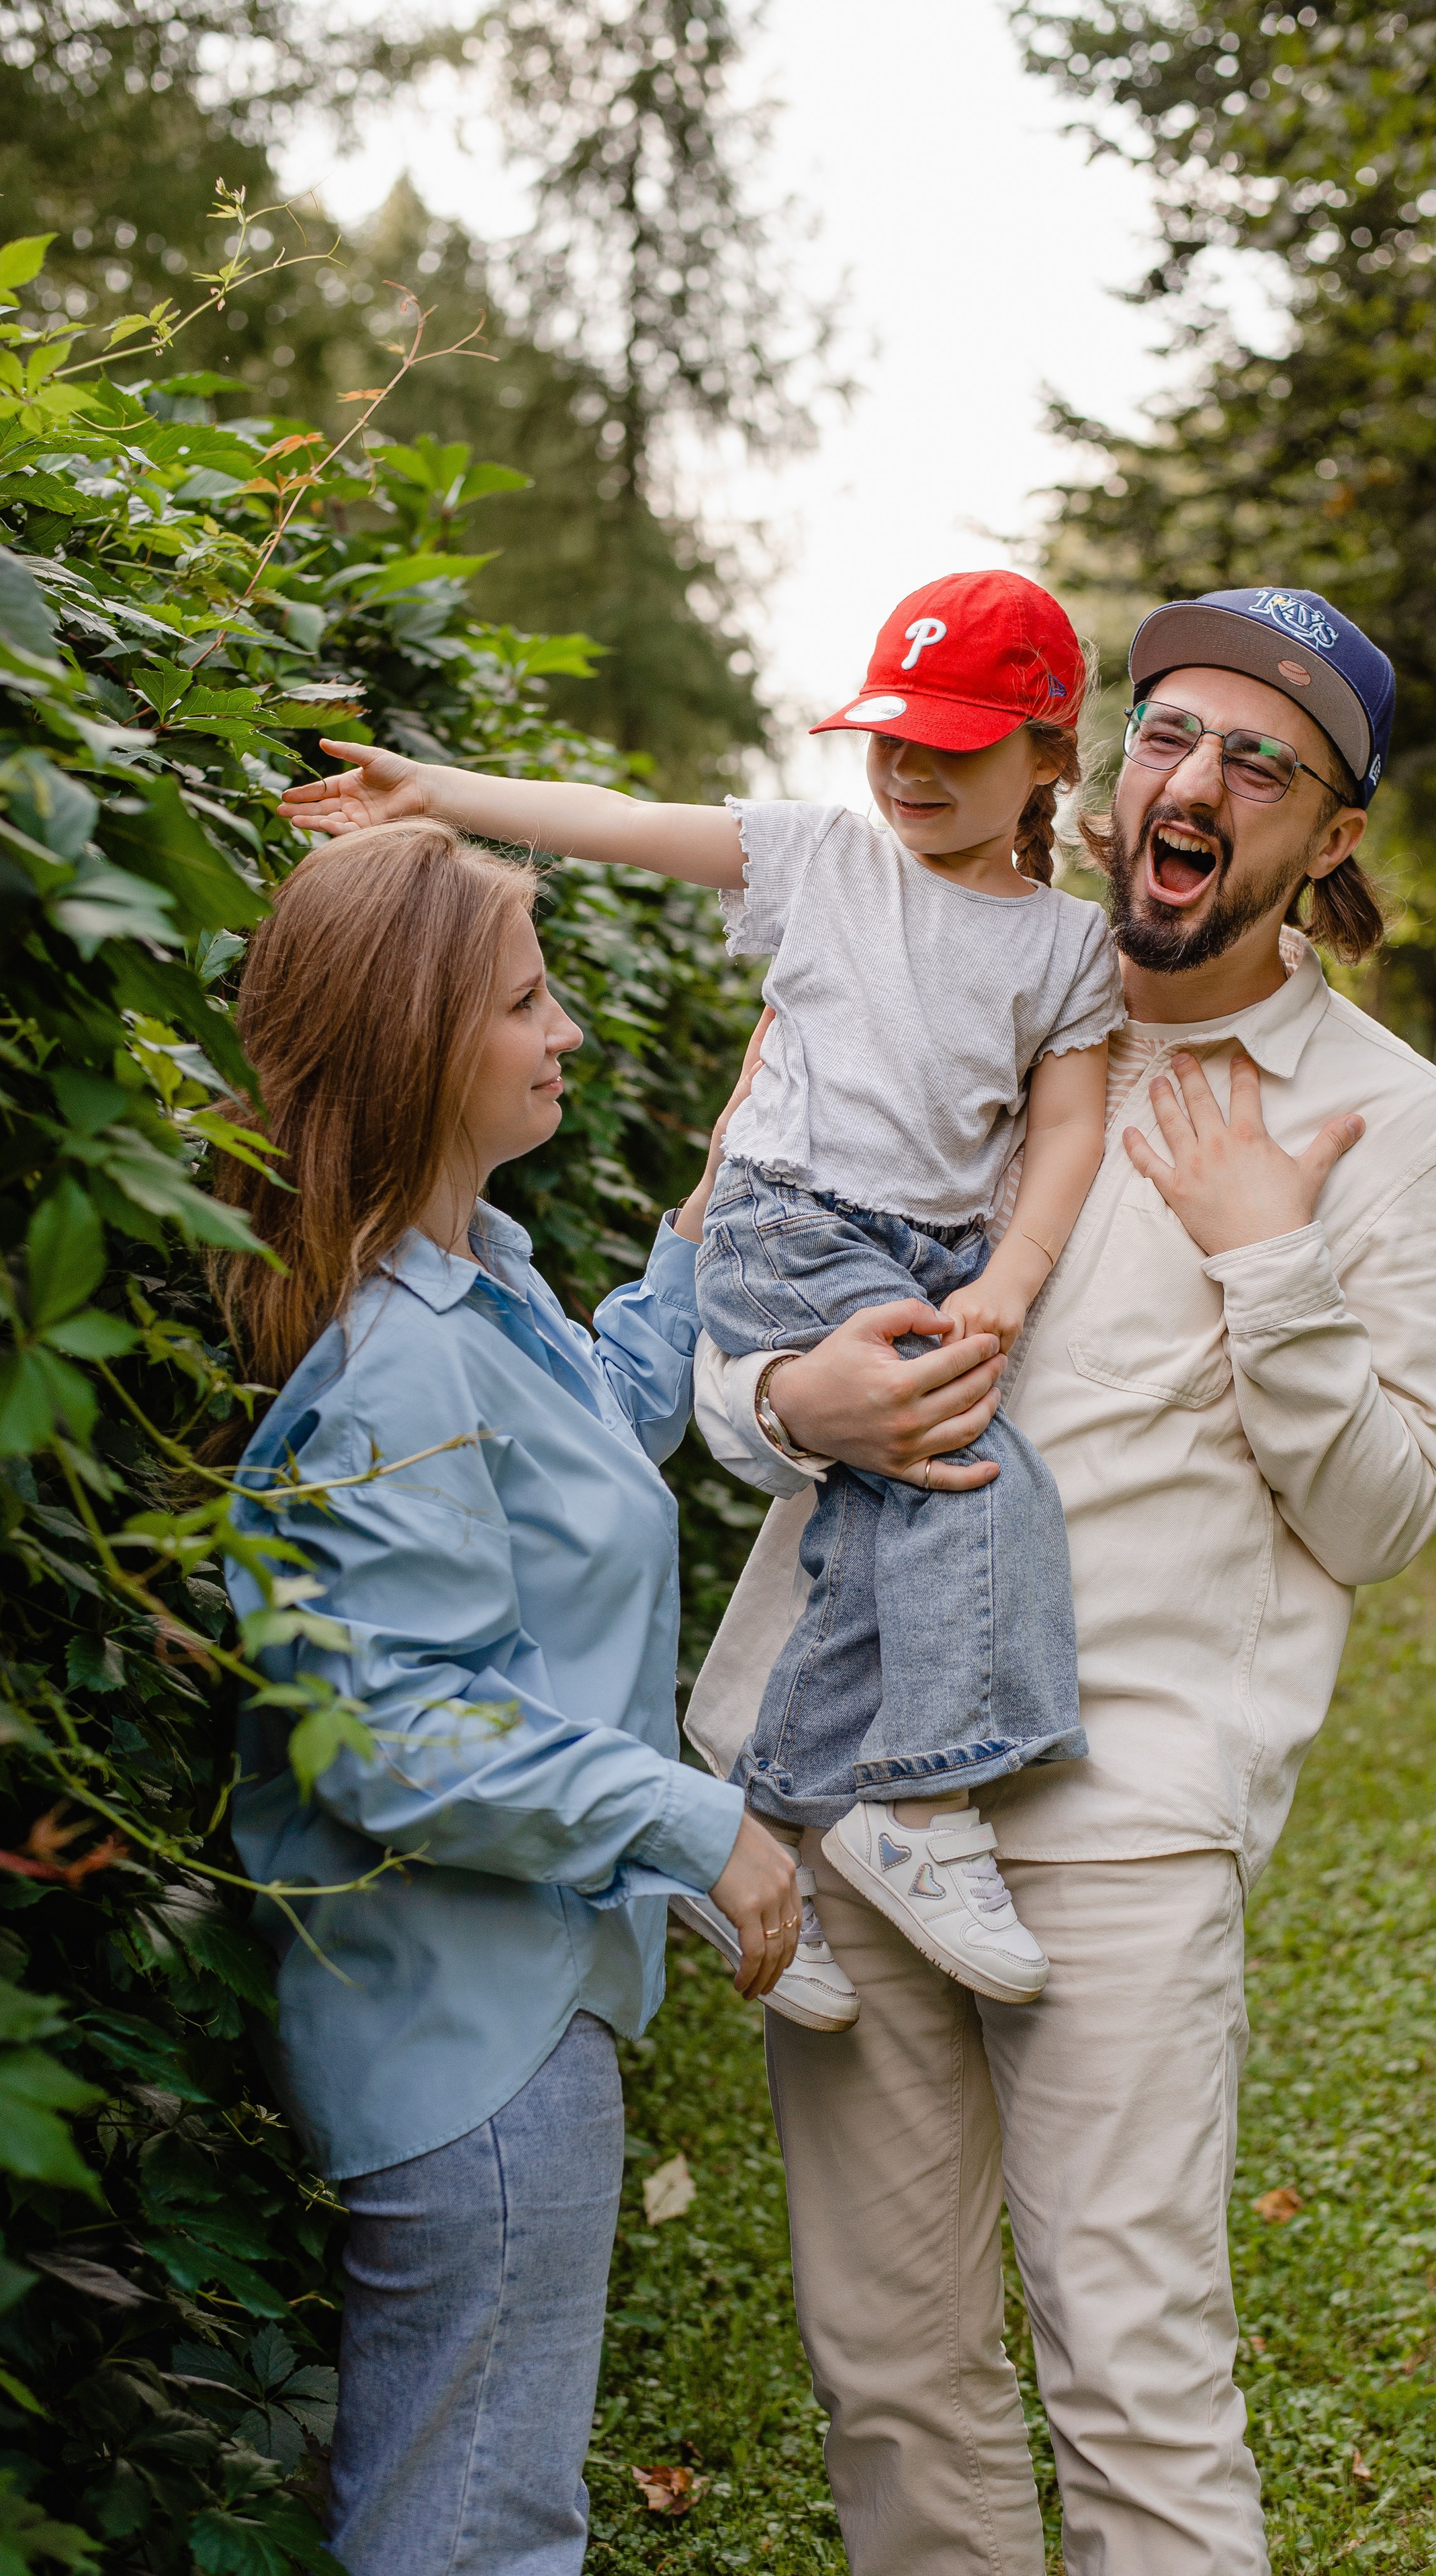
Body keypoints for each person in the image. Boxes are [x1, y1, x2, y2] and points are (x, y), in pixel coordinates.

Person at [688, 586, 1436, 2575]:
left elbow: (1384, 1516)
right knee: (887, 2365)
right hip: (855, 1790)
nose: (1191, 779)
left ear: (1328, 837)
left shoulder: (1388, 1128)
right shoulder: (925, 992)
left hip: (1122, 1827)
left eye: (1259, 759)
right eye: (1164, 732)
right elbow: (707, 1351)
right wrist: (797, 1399)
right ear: (1098, 767)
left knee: (1131, 2375)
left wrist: (1262, 1256)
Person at [277, 569, 1126, 2024]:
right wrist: (443, 796)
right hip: (786, 1226)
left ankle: (756, 1820)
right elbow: (621, 824)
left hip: (921, 1256)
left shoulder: (1066, 949)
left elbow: (1065, 1131)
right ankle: (919, 1812)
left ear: (1049, 754)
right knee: (975, 1479)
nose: (910, 768)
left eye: (957, 742)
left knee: (888, 1506)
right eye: (890, 737)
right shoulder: (822, 863)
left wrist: (1007, 1279)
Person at [214, 821, 799, 2576]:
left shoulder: (476, 1283)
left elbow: (585, 1453)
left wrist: (704, 1210)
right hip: (478, 2054)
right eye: (527, 1000)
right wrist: (701, 1821)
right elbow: (399, 1732)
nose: (566, 1033)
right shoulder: (402, 1363)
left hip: (504, 2013)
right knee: (476, 2531)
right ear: (421, 1046)